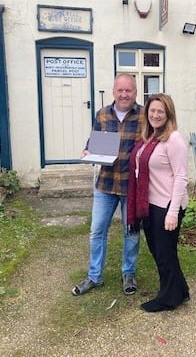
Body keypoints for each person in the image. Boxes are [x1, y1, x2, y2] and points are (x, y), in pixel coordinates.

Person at [72, 73, 144, 296]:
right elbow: (94, 141)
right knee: (96, 231)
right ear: (113, 91)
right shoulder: (102, 114)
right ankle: (94, 276)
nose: (124, 94)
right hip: (105, 184)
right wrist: (88, 149)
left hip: (130, 185)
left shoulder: (144, 116)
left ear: (135, 92)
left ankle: (128, 273)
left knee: (131, 231)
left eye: (128, 90)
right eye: (120, 90)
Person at [127, 93, 190, 312]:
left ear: (168, 114)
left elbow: (181, 177)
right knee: (162, 252)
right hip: (151, 204)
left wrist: (173, 213)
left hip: (167, 206)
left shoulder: (175, 140)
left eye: (160, 112)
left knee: (164, 253)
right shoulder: (151, 137)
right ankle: (180, 290)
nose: (155, 115)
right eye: (152, 111)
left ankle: (168, 299)